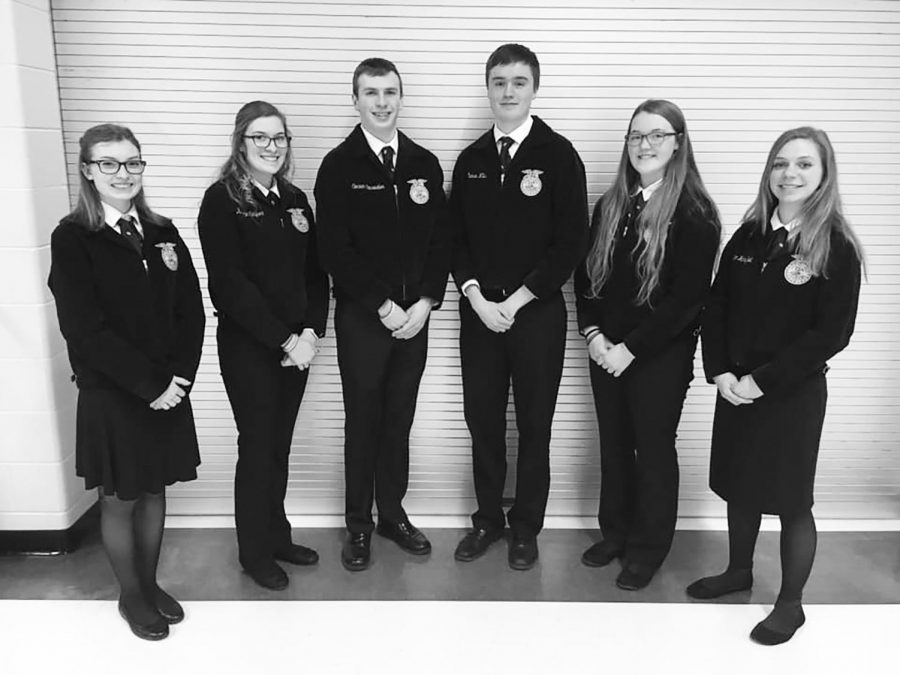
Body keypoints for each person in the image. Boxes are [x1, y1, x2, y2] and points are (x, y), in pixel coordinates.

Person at [687, 127, 864, 645]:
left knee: (790, 500)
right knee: (740, 486)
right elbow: (716, 307)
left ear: (824, 174)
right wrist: (719, 370)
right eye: (781, 164)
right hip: (734, 387)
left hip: (789, 395)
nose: (790, 174)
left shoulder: (835, 245)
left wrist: (762, 382)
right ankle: (738, 572)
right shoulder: (748, 236)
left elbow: (831, 335)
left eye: (804, 165)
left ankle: (791, 604)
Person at [48, 124, 205, 640]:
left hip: (168, 389)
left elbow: (191, 310)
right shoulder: (73, 238)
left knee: (155, 489)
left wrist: (179, 378)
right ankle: (131, 595)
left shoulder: (161, 229)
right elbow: (85, 329)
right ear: (89, 171)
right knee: (121, 497)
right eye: (110, 164)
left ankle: (150, 582)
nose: (124, 174)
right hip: (114, 393)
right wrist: (149, 385)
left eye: (133, 162)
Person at [450, 44, 588, 571]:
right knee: (482, 421)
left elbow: (571, 241)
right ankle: (487, 520)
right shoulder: (472, 160)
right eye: (499, 81)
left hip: (537, 317)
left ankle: (526, 525)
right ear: (487, 87)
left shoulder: (558, 155)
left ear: (535, 88)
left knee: (535, 424)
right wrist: (476, 296)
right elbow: (455, 240)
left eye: (519, 82)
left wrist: (522, 296)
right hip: (481, 316)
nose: (508, 92)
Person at [574, 100, 721, 590]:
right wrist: (594, 334)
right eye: (637, 135)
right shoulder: (611, 204)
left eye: (657, 135)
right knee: (614, 446)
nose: (645, 144)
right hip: (605, 351)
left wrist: (629, 349)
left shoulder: (695, 212)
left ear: (678, 143)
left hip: (657, 356)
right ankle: (615, 533)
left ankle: (648, 548)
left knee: (653, 450)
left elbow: (686, 300)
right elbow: (588, 278)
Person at [315, 58, 449, 571]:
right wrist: (382, 305)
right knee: (363, 422)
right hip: (364, 320)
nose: (381, 101)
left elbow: (440, 241)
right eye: (370, 93)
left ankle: (392, 513)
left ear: (401, 97)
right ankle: (359, 525)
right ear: (355, 100)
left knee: (399, 420)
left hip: (415, 319)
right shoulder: (339, 165)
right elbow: (335, 251)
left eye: (390, 91)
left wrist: (425, 302)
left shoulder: (423, 163)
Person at [198, 101, 329, 590]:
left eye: (279, 138)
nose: (272, 147)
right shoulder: (222, 200)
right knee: (257, 447)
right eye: (260, 138)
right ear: (241, 143)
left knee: (280, 446)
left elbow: (317, 276)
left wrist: (312, 332)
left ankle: (277, 535)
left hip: (299, 348)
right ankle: (253, 552)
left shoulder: (294, 200)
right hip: (251, 347)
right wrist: (284, 338)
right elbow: (229, 285)